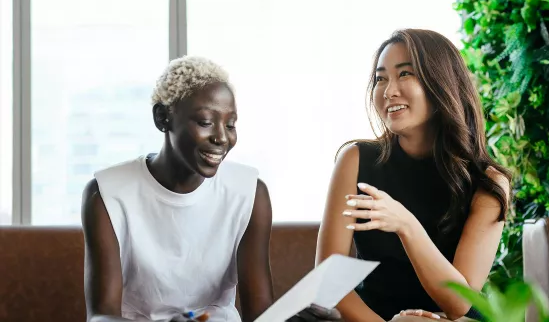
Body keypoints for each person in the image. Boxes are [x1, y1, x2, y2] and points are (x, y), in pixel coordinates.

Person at [81, 56, 340, 322]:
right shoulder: (107, 194)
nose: (222, 138)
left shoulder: (249, 193)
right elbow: (101, 317)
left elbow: (259, 314)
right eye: (205, 122)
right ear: (162, 118)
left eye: (230, 125)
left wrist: (294, 319)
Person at [315, 29, 511, 322]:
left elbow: (461, 302)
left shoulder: (488, 183)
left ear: (441, 83)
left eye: (405, 74)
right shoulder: (355, 160)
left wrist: (407, 225)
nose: (388, 90)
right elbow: (329, 281)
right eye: (381, 78)